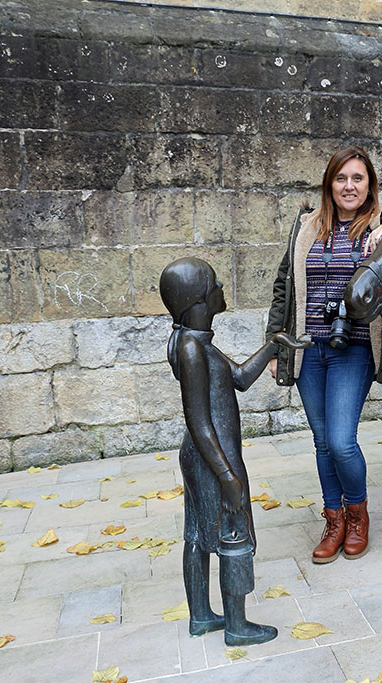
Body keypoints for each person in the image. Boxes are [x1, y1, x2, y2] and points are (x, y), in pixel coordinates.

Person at [160, 257, 306, 646]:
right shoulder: (192, 349)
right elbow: (200, 421)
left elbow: (239, 377)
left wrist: (273, 344)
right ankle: (238, 626)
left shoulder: (194, 340)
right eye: (214, 282)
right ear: (199, 298)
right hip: (214, 455)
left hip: (203, 456)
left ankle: (202, 616)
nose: (222, 284)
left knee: (196, 532)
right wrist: (227, 476)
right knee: (233, 531)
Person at [265, 146, 382, 564]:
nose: (349, 186)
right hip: (308, 348)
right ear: (329, 185)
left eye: (358, 178)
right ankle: (334, 519)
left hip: (352, 348)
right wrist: (275, 342)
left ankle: (358, 515)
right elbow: (284, 284)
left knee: (341, 441)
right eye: (341, 179)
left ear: (370, 184)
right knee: (322, 442)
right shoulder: (306, 227)